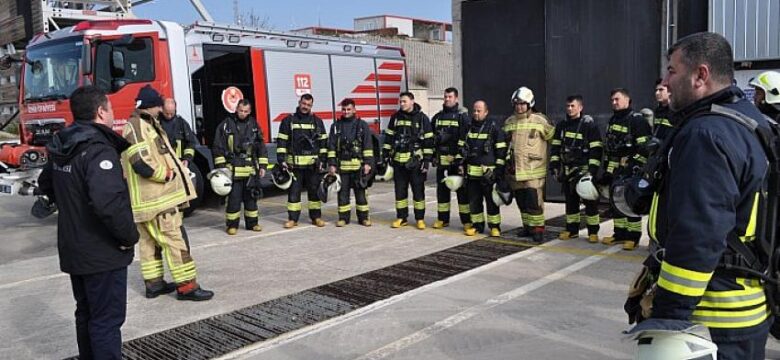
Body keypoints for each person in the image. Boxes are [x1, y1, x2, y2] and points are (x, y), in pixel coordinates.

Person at [629, 31, 771, 360]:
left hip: (708, 320)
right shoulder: (751, 120)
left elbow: (698, 237)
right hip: (747, 308)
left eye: (672, 71)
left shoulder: (706, 134)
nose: (665, 80)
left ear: (700, 75)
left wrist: (667, 316)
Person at [37, 85, 139, 359]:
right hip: (102, 253)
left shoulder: (63, 145)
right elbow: (108, 203)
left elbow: (45, 183)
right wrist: (129, 237)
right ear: (100, 112)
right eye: (110, 108)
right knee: (106, 320)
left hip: (74, 248)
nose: (111, 113)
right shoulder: (98, 150)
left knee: (86, 314)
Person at [121, 85, 213, 301]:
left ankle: (154, 285)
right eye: (159, 105)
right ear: (152, 106)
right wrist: (168, 174)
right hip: (157, 199)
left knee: (149, 244)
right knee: (175, 241)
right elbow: (141, 163)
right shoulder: (137, 126)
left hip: (148, 202)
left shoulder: (144, 124)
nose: (161, 110)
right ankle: (187, 287)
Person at [600, 88, 652, 251]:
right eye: (612, 100)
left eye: (617, 99)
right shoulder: (614, 120)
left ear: (627, 100)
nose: (614, 103)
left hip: (631, 169)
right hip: (615, 169)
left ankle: (633, 237)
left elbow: (645, 148)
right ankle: (619, 234)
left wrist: (632, 167)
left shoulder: (637, 120)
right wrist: (607, 171)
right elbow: (609, 147)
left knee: (630, 202)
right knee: (616, 202)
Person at [549, 95, 603, 242]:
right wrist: (554, 165)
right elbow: (555, 148)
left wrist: (592, 171)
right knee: (571, 203)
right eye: (568, 106)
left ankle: (593, 232)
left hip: (584, 171)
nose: (570, 109)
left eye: (573, 106)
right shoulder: (562, 126)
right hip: (568, 171)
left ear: (580, 107)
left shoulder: (589, 125)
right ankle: (572, 230)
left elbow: (596, 149)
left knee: (590, 203)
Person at [503, 87, 554, 242]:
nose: (519, 107)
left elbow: (554, 139)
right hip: (516, 171)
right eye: (517, 104)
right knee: (522, 202)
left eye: (523, 104)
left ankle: (538, 229)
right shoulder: (509, 122)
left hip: (533, 170)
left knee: (534, 202)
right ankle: (527, 227)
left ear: (530, 104)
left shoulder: (540, 121)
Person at [212, 99, 269, 234]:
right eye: (240, 110)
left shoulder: (254, 125)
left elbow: (261, 146)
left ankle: (252, 224)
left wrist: (263, 166)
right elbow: (217, 147)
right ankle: (232, 226)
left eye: (245, 111)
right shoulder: (226, 125)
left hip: (250, 170)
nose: (243, 113)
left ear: (249, 111)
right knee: (234, 200)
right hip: (233, 169)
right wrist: (222, 168)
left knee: (251, 200)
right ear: (236, 109)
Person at [276, 94, 328, 228]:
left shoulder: (317, 121)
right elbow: (281, 142)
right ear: (299, 102)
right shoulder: (288, 121)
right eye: (304, 104)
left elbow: (323, 143)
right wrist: (281, 160)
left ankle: (316, 217)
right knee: (294, 194)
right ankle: (293, 219)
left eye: (308, 105)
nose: (305, 107)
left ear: (312, 106)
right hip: (294, 166)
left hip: (312, 166)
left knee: (314, 193)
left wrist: (322, 160)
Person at [383, 92, 434, 229]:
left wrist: (427, 161)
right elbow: (389, 138)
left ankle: (420, 219)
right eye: (400, 102)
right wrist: (385, 156)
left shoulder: (422, 119)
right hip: (398, 163)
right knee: (400, 192)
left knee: (418, 192)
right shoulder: (395, 118)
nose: (402, 104)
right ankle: (401, 217)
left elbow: (429, 141)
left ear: (412, 101)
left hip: (415, 163)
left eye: (404, 101)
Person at [462, 100, 507, 237]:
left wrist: (498, 171)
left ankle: (494, 227)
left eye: (479, 111)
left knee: (491, 202)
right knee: (474, 202)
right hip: (472, 174)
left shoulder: (494, 128)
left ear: (486, 112)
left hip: (488, 174)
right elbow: (463, 148)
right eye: (474, 110)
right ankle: (477, 226)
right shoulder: (468, 127)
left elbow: (501, 151)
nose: (475, 113)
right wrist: (461, 165)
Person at [327, 98, 374, 226]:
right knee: (342, 194)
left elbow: (368, 145)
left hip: (358, 167)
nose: (346, 111)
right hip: (342, 168)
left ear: (354, 109)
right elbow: (331, 146)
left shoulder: (362, 125)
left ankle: (364, 218)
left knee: (361, 195)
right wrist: (332, 164)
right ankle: (343, 218)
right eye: (344, 109)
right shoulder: (336, 126)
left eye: (348, 109)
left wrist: (368, 163)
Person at [431, 87, 471, 230]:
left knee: (462, 194)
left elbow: (466, 141)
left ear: (456, 99)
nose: (447, 99)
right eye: (445, 97)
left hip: (457, 162)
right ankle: (443, 219)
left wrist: (459, 160)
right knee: (442, 193)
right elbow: (431, 139)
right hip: (442, 163)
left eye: (450, 97)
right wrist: (433, 157)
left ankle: (466, 221)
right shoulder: (437, 117)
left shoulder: (462, 118)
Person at [160, 98, 200, 168]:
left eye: (172, 113)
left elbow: (190, 143)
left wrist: (187, 159)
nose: (169, 116)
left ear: (175, 109)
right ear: (162, 109)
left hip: (179, 162)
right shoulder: (156, 123)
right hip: (162, 163)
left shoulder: (182, 123)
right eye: (167, 113)